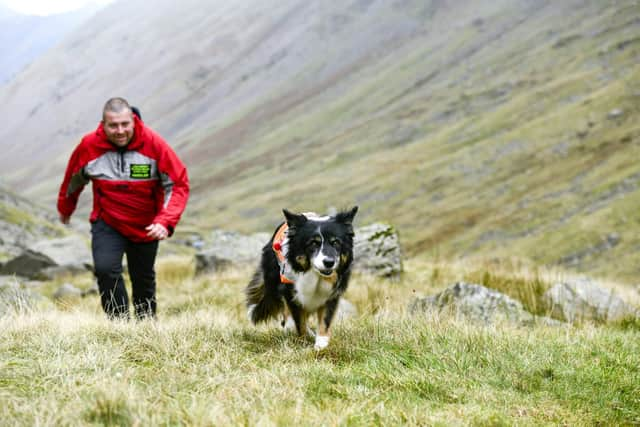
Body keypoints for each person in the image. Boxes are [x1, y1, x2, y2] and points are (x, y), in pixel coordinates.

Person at [57, 97, 189, 320]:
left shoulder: (154, 144)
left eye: (124, 124)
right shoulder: (89, 146)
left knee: (143, 278)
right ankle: (119, 326)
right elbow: (73, 180)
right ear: (103, 124)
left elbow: (177, 184)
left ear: (133, 121)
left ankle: (146, 327)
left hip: (147, 225)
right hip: (107, 222)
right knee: (106, 270)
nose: (120, 131)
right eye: (113, 125)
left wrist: (165, 220)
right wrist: (65, 209)